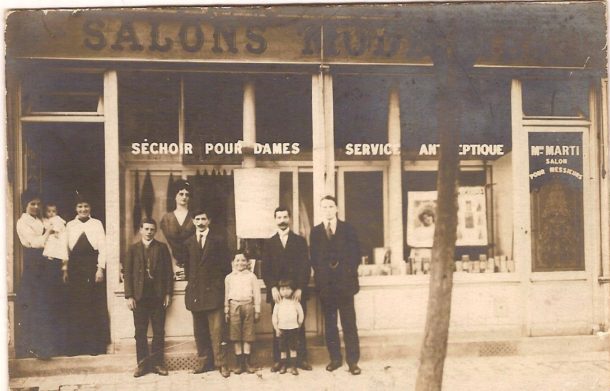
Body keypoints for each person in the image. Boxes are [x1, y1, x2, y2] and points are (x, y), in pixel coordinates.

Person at [310, 195, 362, 375]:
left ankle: (353, 362)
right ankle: (335, 359)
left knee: (349, 324)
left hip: (345, 286)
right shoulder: (316, 232)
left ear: (337, 209)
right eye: (324, 207)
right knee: (330, 325)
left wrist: (344, 273)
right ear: (321, 210)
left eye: (331, 206)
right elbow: (314, 260)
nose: (328, 210)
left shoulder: (348, 229)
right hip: (327, 287)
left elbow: (356, 255)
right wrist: (323, 279)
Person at [15, 190, 65, 359]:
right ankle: (35, 347)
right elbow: (34, 243)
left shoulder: (41, 219)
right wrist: (48, 233)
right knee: (35, 305)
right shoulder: (22, 222)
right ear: (25, 205)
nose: (36, 207)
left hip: (46, 265)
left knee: (47, 305)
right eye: (32, 204)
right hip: (34, 265)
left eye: (38, 204)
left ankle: (49, 346)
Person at [261, 206, 312, 372]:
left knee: (298, 325)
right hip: (278, 294)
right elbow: (266, 270)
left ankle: (300, 360)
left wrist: (300, 289)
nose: (282, 220)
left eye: (284, 217)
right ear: (275, 219)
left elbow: (305, 267)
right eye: (279, 217)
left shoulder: (299, 241)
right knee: (279, 327)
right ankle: (279, 361)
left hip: (296, 292)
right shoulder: (269, 243)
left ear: (289, 218)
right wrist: (273, 288)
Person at [184, 210, 232, 377]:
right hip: (196, 294)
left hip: (214, 293)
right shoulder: (189, 242)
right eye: (197, 219)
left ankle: (222, 364)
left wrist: (218, 286)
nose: (200, 222)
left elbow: (226, 267)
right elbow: (188, 268)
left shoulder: (218, 241)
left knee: (217, 331)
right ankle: (204, 363)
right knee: (200, 331)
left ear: (209, 220)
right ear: (193, 221)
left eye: (203, 219)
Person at [124, 218, 174, 378]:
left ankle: (158, 364)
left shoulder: (162, 248)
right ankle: (142, 365)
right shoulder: (133, 249)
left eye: (152, 229)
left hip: (158, 296)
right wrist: (129, 296)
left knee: (159, 331)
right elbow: (128, 274)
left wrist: (168, 293)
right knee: (140, 332)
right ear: (140, 230)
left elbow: (168, 273)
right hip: (139, 297)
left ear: (155, 231)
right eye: (146, 229)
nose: (149, 232)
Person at [65, 194, 110, 356]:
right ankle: (76, 347)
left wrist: (100, 269)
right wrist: (65, 269)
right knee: (76, 306)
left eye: (86, 206)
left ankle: (94, 347)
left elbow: (103, 248)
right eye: (80, 206)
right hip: (75, 269)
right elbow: (65, 249)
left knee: (92, 306)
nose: (83, 209)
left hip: (92, 268)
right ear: (75, 208)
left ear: (90, 207)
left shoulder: (96, 224)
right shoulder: (69, 225)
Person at [224, 253, 261, 375]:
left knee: (248, 334)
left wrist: (257, 310)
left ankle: (247, 363)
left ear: (248, 262)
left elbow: (256, 294)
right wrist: (226, 309)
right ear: (233, 262)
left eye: (243, 260)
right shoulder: (229, 277)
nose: (240, 263)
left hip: (248, 305)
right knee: (236, 335)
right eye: (237, 260)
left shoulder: (252, 277)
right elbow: (226, 295)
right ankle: (239, 363)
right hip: (234, 306)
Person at [160, 179, 195, 281]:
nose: (184, 197)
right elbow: (165, 243)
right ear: (175, 196)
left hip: (192, 260)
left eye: (187, 194)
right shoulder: (167, 219)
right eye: (181, 194)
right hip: (171, 261)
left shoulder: (194, 217)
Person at [271, 279, 304, 376]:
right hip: (282, 329)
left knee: (293, 347)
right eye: (282, 289)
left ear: (292, 290)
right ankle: (283, 365)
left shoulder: (295, 302)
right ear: (279, 290)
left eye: (288, 289)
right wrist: (276, 328)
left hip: (293, 329)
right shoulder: (278, 302)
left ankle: (293, 366)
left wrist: (299, 324)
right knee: (283, 348)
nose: (285, 291)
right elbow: (274, 316)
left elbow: (301, 314)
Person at [42, 203, 69, 283]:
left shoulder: (57, 218)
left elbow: (59, 225)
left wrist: (56, 231)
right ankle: (50, 255)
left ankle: (52, 255)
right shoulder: (45, 220)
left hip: (57, 236)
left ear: (57, 212)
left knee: (55, 245)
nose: (51, 213)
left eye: (53, 211)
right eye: (49, 211)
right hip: (50, 237)